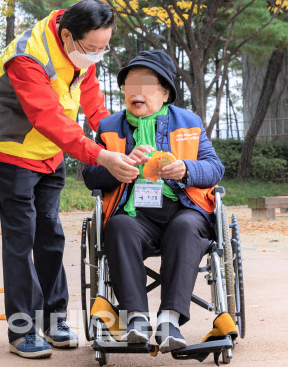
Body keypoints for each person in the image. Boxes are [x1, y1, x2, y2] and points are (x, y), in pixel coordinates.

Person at [0, 0, 141, 359]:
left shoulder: (83, 50)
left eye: (104, 48)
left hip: (50, 153)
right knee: (22, 236)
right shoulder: (28, 56)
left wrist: (119, 137)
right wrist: (99, 155)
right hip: (11, 151)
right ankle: (22, 330)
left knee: (50, 232)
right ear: (67, 35)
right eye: (92, 48)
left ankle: (54, 320)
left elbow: (92, 100)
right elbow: (47, 118)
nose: (97, 55)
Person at [83, 50, 225, 353]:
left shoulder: (189, 122)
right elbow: (90, 176)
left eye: (147, 86)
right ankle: (135, 318)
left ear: (164, 92)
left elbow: (215, 168)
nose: (137, 93)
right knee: (118, 226)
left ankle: (170, 320)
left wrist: (187, 169)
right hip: (134, 213)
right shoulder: (108, 127)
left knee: (186, 227)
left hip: (183, 208)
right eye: (131, 86)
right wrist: (117, 168)